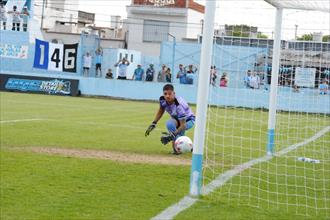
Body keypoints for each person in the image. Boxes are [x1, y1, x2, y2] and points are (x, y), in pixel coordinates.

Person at [145, 84, 195, 154]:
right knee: (170, 124)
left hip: (188, 120)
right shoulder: (162, 99)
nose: (167, 96)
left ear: (174, 93)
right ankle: (183, 148)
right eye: (165, 94)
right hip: (177, 119)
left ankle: (188, 147)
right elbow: (161, 109)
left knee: (178, 135)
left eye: (169, 94)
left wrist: (173, 135)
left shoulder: (179, 105)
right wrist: (154, 123)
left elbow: (183, 125)